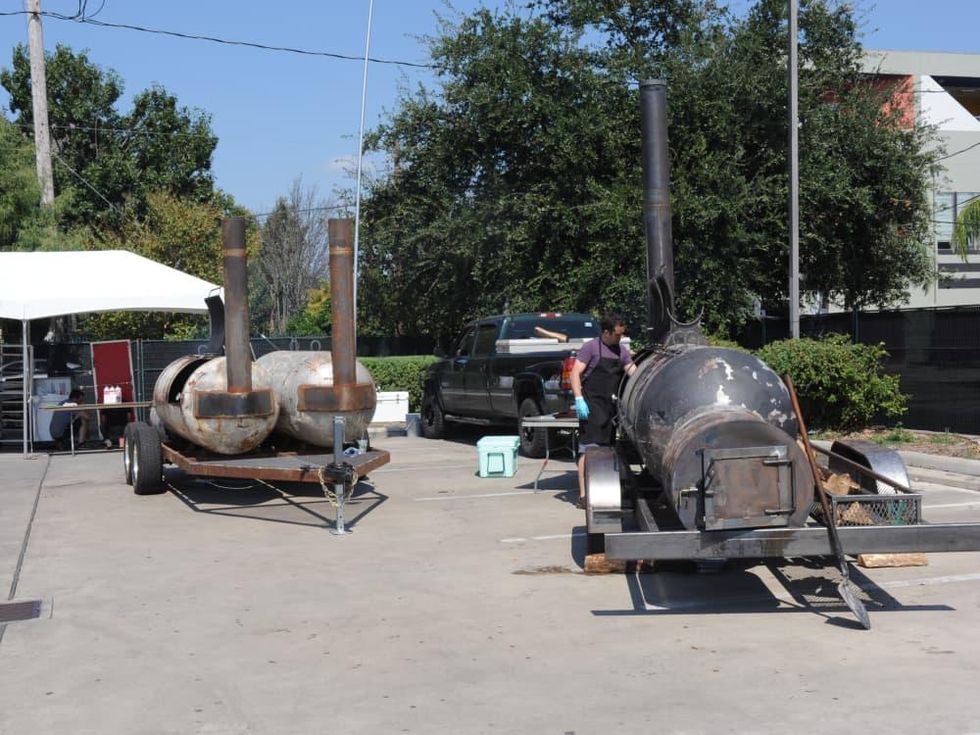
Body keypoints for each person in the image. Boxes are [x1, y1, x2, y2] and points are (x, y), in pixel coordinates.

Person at [569, 312, 637, 509]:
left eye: (622, 334)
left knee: (607, 449)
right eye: (617, 334)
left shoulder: (621, 351)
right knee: (587, 450)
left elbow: (632, 371)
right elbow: (575, 373)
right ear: (606, 332)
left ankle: (604, 490)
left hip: (609, 407)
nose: (620, 338)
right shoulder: (591, 347)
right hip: (590, 404)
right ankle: (583, 495)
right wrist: (579, 398)